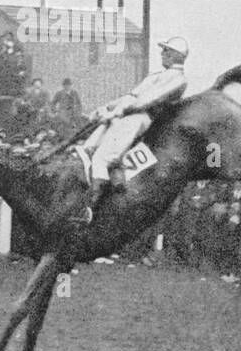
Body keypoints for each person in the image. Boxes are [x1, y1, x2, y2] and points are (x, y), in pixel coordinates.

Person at [76, 37, 189, 223]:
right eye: (163, 50)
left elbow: (147, 100)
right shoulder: (155, 75)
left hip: (142, 119)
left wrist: (116, 112)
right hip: (127, 116)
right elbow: (130, 96)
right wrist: (106, 108)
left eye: (167, 51)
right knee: (88, 150)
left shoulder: (178, 79)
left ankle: (92, 210)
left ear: (177, 56)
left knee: (101, 159)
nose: (162, 54)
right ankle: (112, 178)